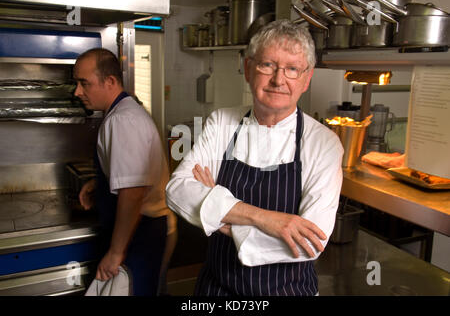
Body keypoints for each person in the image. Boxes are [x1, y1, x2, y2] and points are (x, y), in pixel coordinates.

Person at [165, 20, 343, 296]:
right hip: (216, 289)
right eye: (267, 65)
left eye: (292, 69)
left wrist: (219, 214)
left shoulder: (324, 143)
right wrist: (266, 219)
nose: (278, 80)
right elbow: (178, 190)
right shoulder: (221, 121)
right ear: (248, 69)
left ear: (307, 79)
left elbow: (310, 242)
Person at [74, 48, 177, 296]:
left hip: (142, 234)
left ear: (110, 81)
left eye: (83, 83)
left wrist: (115, 252)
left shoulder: (123, 121)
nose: (77, 92)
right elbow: (134, 173)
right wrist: (101, 183)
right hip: (143, 230)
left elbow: (132, 192)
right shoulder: (125, 112)